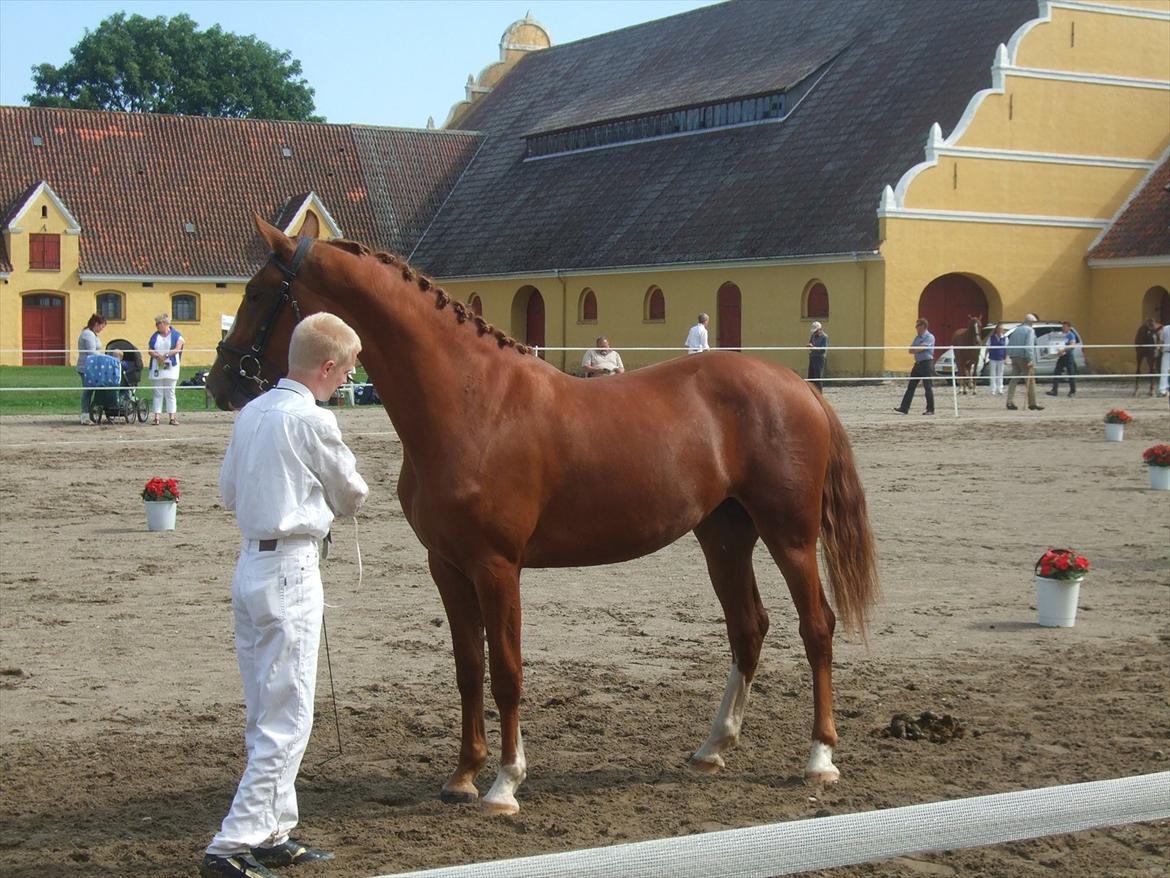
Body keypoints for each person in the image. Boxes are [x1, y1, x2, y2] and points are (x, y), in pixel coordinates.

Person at [202, 313, 369, 878]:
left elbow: (228, 492)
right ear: (328, 367)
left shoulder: (251, 412)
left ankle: (275, 828)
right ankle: (233, 841)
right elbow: (352, 495)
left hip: (250, 562)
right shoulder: (313, 420)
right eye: (347, 370)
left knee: (265, 707)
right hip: (291, 568)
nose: (348, 380)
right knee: (289, 712)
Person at [147, 314, 185, 425]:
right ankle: (156, 417)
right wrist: (158, 357)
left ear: (165, 324)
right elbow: (150, 350)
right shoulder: (155, 336)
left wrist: (166, 355)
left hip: (171, 367)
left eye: (159, 323)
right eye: (156, 324)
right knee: (157, 392)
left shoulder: (177, 336)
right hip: (157, 366)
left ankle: (172, 417)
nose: (157, 326)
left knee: (170, 392)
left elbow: (178, 349)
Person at [894, 318, 935, 415]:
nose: (916, 328)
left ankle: (930, 409)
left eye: (917, 326)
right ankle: (904, 407)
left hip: (926, 363)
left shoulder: (929, 337)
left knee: (927, 387)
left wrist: (917, 348)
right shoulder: (917, 338)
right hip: (918, 364)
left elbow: (921, 348)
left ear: (923, 326)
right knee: (911, 386)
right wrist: (917, 349)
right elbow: (910, 350)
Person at [1006, 313, 1044, 411]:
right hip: (1023, 357)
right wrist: (1030, 359)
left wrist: (1010, 354)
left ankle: (1009, 401)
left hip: (1014, 356)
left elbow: (1010, 343)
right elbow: (1029, 346)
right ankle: (1032, 403)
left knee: (1014, 379)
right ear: (1031, 322)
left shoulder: (1017, 329)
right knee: (1030, 379)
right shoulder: (1030, 330)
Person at [76, 313, 107, 425]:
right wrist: (106, 357)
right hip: (86, 367)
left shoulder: (92, 334)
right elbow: (91, 351)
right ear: (96, 324)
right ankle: (84, 415)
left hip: (92, 367)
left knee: (90, 390)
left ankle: (89, 413)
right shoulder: (88, 334)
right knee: (87, 391)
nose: (101, 329)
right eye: (101, 326)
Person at [1047, 320, 1080, 398]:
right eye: (1063, 327)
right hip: (1061, 356)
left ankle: (1072, 391)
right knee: (1056, 372)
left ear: (1069, 328)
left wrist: (1064, 349)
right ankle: (1054, 390)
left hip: (1068, 356)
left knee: (1071, 374)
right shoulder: (1060, 335)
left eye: (1065, 327)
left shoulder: (1071, 335)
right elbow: (1056, 344)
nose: (1063, 328)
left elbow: (1072, 345)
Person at [986, 322, 1008, 396]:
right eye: (998, 329)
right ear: (996, 329)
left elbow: (1006, 349)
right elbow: (988, 347)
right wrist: (986, 356)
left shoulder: (1005, 338)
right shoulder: (991, 338)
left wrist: (1006, 358)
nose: (1000, 330)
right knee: (993, 374)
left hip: (1001, 358)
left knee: (1000, 374)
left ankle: (1000, 389)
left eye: (1001, 329)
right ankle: (993, 389)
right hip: (993, 357)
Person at [806, 322, 828, 392]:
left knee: (818, 377)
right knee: (811, 376)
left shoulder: (824, 337)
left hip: (819, 358)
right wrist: (809, 345)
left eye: (816, 331)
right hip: (812, 356)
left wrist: (814, 347)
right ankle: (811, 392)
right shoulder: (813, 336)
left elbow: (823, 350)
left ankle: (819, 392)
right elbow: (810, 342)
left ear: (820, 329)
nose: (814, 333)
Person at [1156, 317, 1170, 397]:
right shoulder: (1165, 329)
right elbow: (1161, 340)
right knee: (1164, 371)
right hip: (1167, 352)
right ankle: (1163, 390)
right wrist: (1158, 348)